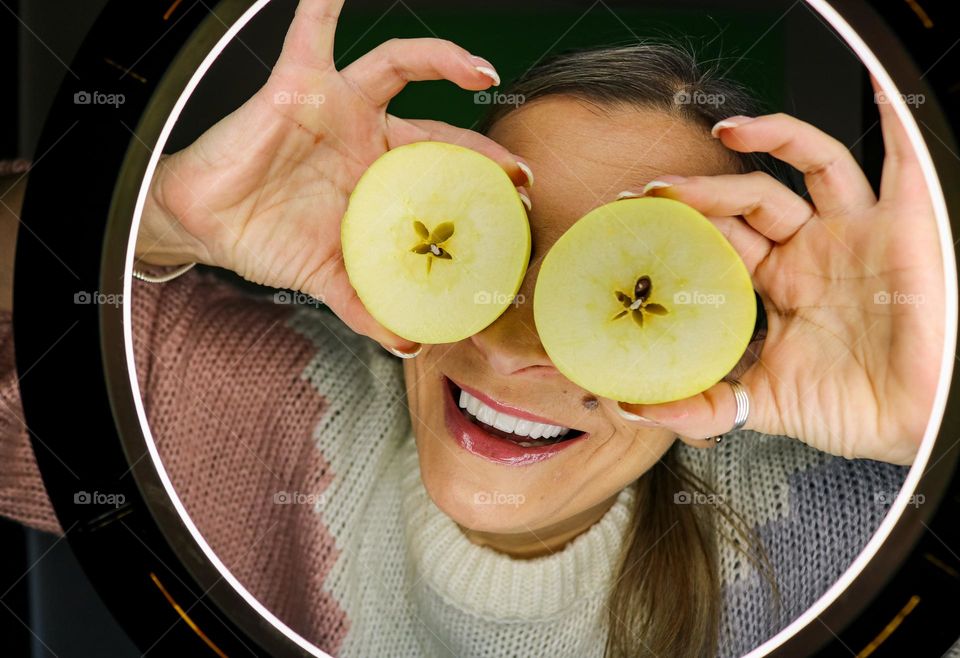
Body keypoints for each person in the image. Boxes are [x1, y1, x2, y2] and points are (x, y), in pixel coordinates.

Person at [0, 1, 944, 656]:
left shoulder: (857, 531)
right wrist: (158, 217)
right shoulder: (279, 417)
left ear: (730, 348)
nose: (508, 347)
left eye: (629, 294)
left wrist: (930, 421)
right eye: (497, 250)